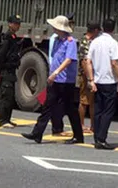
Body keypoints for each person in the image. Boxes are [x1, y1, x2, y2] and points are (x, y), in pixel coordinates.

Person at [21, 15, 84, 144]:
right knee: (47, 106)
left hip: (66, 81)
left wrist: (56, 72)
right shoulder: (56, 40)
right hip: (55, 80)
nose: (53, 29)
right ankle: (37, 133)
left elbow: (68, 60)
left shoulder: (70, 42)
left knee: (70, 109)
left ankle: (78, 135)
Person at [86, 19, 118, 150]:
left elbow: (88, 62)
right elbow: (114, 63)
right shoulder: (113, 43)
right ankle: (102, 139)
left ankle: (97, 137)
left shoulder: (95, 42)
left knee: (98, 110)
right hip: (109, 81)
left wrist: (91, 80)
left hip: (97, 80)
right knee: (107, 111)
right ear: (113, 29)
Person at [48, 12, 75, 137]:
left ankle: (57, 127)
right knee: (59, 104)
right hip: (58, 75)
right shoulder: (58, 39)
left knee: (58, 103)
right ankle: (57, 128)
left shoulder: (63, 39)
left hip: (58, 75)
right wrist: (55, 72)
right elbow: (61, 58)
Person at [0, 14, 22, 128]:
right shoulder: (7, 38)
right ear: (10, 24)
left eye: (19, 24)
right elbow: (1, 55)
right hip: (5, 70)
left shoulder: (13, 37)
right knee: (6, 95)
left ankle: (7, 119)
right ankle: (2, 120)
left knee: (10, 96)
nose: (18, 26)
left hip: (11, 70)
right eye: (15, 23)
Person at [78, 20, 100, 133]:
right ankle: (81, 125)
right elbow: (84, 61)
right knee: (84, 101)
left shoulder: (92, 41)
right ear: (95, 30)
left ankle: (93, 126)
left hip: (92, 74)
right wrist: (89, 78)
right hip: (86, 75)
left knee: (92, 102)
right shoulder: (85, 41)